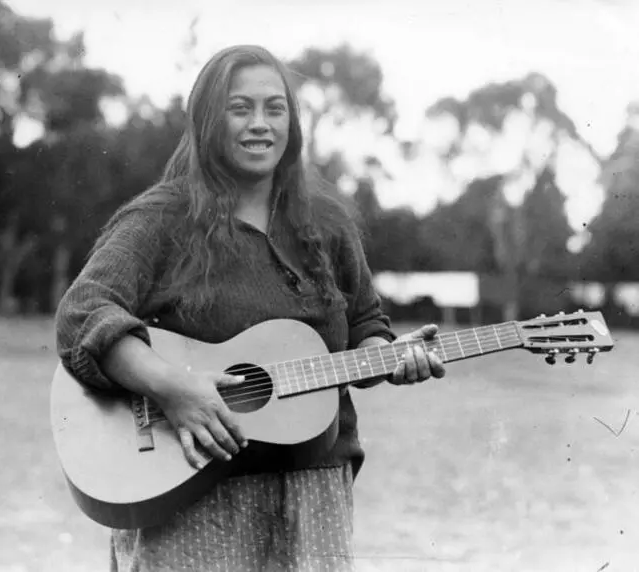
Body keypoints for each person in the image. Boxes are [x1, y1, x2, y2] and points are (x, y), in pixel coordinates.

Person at [55, 44, 446, 572]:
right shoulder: (161, 219)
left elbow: (365, 324)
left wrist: (390, 355)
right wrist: (171, 387)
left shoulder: (328, 223)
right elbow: (84, 312)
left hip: (313, 491)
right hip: (192, 489)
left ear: (293, 123)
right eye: (240, 108)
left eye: (275, 108)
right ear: (207, 121)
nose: (260, 124)